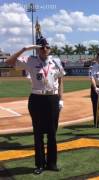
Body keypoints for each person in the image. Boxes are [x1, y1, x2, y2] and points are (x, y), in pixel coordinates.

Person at [5, 36, 65, 175]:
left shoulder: (56, 62)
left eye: (47, 47)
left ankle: (52, 163)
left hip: (52, 99)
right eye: (41, 47)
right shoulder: (30, 61)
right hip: (36, 99)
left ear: (50, 48)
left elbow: (61, 80)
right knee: (38, 134)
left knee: (52, 133)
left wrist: (61, 99)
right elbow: (9, 61)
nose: (45, 49)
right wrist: (25, 49)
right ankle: (40, 164)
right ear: (37, 49)